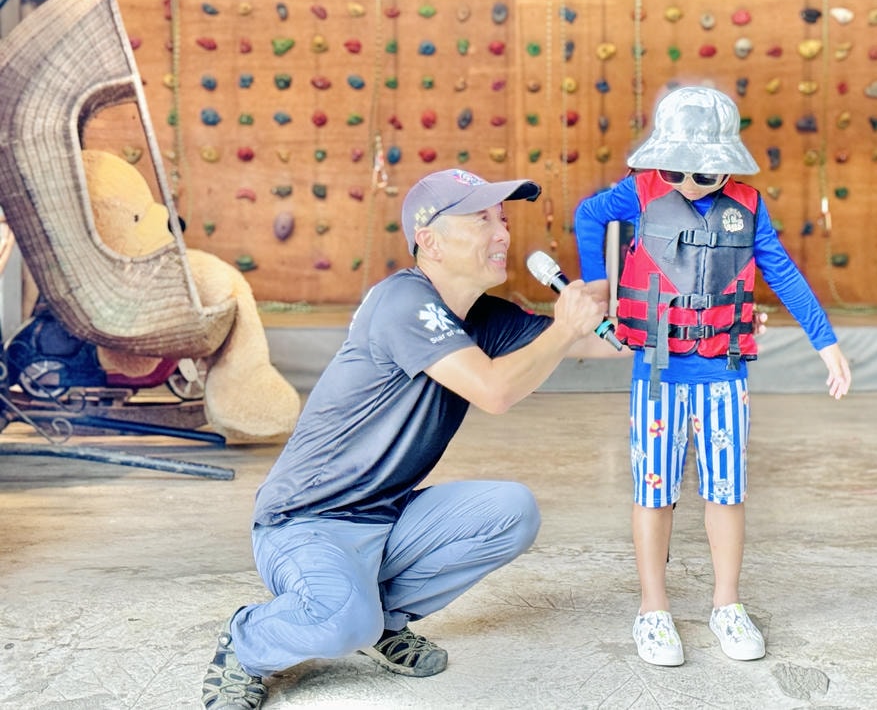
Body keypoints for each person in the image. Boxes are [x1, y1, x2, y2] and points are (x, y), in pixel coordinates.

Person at [202, 168, 609, 710]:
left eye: (504, 219)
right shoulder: (402, 303)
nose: (503, 233)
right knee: (341, 619)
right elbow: (494, 391)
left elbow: (602, 346)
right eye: (482, 218)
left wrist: (635, 301)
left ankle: (384, 623)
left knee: (512, 510)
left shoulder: (483, 318)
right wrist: (565, 328)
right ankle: (248, 643)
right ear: (430, 241)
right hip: (306, 524)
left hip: (386, 518)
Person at [573, 85, 852, 668]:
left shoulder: (747, 206)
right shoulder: (641, 192)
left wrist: (825, 341)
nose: (685, 183)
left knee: (727, 490)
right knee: (654, 490)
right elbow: (588, 214)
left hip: (723, 370)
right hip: (656, 371)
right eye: (673, 169)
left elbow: (781, 269)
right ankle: (653, 609)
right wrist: (595, 285)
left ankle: (727, 603)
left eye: (701, 173)